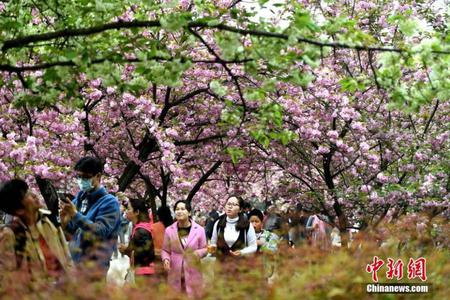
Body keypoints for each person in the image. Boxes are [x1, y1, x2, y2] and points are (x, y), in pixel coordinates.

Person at [0, 179, 72, 283]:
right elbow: (5, 276)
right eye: (26, 194)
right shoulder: (11, 234)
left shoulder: (49, 221)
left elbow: (65, 255)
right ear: (19, 210)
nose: (34, 194)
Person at [59, 157, 120, 274]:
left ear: (98, 176)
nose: (81, 180)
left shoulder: (109, 202)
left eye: (86, 177)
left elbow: (100, 231)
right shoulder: (80, 198)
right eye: (79, 176)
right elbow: (71, 233)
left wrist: (75, 215)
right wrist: (64, 222)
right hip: (75, 264)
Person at [162, 200, 207, 298]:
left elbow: (204, 249)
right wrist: (166, 259)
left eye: (183, 209)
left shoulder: (199, 230)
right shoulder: (169, 230)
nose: (179, 211)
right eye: (177, 209)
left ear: (189, 212)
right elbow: (165, 250)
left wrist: (197, 253)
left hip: (193, 272)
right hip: (175, 272)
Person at [118, 198, 156, 285]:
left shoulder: (141, 231)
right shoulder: (141, 227)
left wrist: (127, 250)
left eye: (129, 209)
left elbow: (147, 254)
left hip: (144, 274)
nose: (126, 211)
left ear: (137, 212)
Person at [210, 196, 257, 261]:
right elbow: (213, 242)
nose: (230, 206)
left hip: (240, 267)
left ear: (240, 209)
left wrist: (242, 252)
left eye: (234, 205)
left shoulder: (247, 225)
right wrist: (213, 248)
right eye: (228, 204)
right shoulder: (218, 223)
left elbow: (253, 247)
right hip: (220, 267)